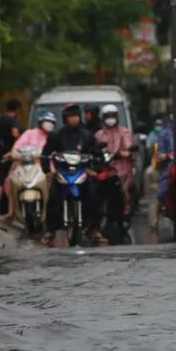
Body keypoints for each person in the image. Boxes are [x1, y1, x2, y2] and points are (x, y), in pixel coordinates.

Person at [39, 104, 106, 246]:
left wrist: (96, 171)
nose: (74, 119)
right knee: (53, 198)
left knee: (93, 196)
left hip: (82, 172)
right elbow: (45, 154)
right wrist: (48, 172)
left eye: (76, 116)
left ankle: (93, 229)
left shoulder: (87, 135)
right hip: (62, 172)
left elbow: (98, 154)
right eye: (70, 117)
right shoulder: (57, 135)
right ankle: (50, 231)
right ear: (65, 118)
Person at [3, 111, 56, 221]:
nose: (49, 124)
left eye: (51, 122)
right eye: (47, 121)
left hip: (46, 167)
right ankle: (11, 211)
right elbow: (17, 148)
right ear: (41, 122)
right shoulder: (30, 133)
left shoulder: (54, 137)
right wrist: (15, 154)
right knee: (13, 179)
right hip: (27, 165)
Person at [95, 103, 135, 216]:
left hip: (121, 165)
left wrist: (124, 153)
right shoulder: (99, 135)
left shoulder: (125, 132)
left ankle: (126, 204)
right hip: (104, 166)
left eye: (113, 116)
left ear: (117, 117)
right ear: (103, 118)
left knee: (123, 185)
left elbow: (129, 147)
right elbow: (94, 148)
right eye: (108, 116)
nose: (110, 119)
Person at [0, 98, 24, 216]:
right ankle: (12, 205)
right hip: (12, 153)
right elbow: (15, 133)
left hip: (0, 152)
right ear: (17, 109)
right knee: (12, 178)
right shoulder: (13, 121)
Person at [152, 115, 174, 230]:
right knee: (163, 190)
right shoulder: (164, 134)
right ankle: (155, 218)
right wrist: (166, 156)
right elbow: (160, 155)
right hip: (169, 167)